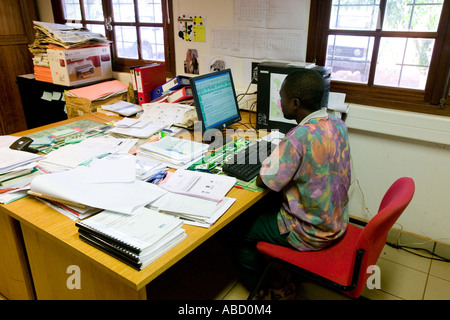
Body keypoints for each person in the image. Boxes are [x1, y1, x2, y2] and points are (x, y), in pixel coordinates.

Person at [223, 69, 351, 299]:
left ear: (295, 103)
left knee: (235, 231)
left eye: (281, 98)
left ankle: (268, 287)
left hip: (310, 231)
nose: (279, 103)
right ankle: (276, 268)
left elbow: (264, 180)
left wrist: (269, 158)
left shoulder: (299, 136)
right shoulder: (336, 123)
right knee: (265, 206)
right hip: (335, 219)